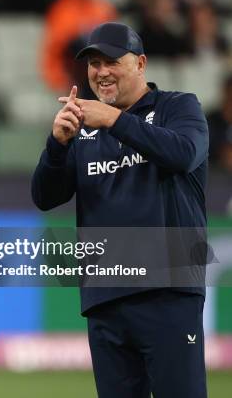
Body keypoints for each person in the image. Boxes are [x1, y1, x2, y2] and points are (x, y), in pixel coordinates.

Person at [31, 22, 208, 397]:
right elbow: (45, 197)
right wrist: (57, 146)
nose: (101, 72)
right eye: (94, 64)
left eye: (112, 61)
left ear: (141, 63)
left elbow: (183, 154)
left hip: (167, 292)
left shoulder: (177, 107)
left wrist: (113, 120)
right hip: (105, 297)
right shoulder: (84, 131)